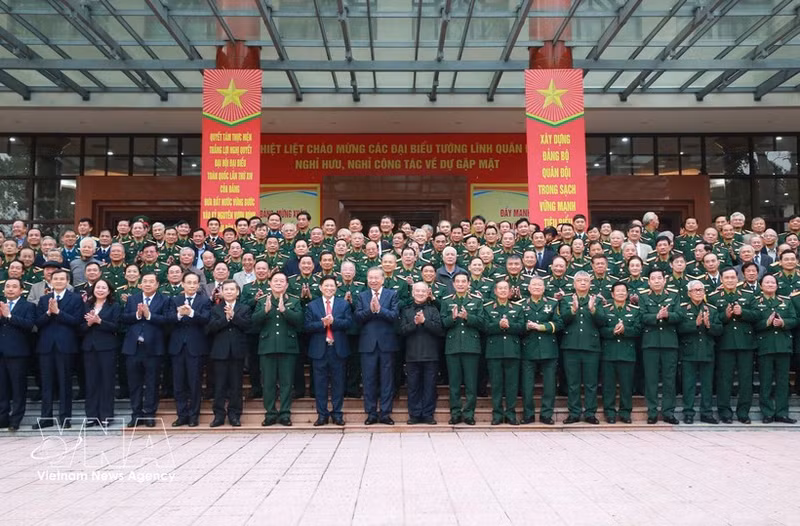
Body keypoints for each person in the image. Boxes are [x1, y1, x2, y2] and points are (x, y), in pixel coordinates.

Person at [33, 269, 83, 429]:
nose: (59, 281)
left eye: (62, 279)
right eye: (56, 279)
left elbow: (77, 321)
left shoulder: (75, 299)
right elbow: (37, 323)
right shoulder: (44, 299)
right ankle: (46, 417)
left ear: (67, 281)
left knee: (64, 382)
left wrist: (58, 312)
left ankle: (65, 417)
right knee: (47, 384)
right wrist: (48, 312)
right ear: (51, 281)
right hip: (46, 346)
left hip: (65, 346)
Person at [708, 267, 758, 424]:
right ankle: (725, 412)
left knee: (745, 379)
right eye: (726, 278)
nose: (730, 280)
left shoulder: (749, 295)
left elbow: (758, 315)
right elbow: (713, 320)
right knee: (724, 379)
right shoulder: (713, 297)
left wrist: (743, 312)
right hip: (725, 343)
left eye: (732, 277)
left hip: (745, 343)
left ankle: (743, 412)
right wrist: (726, 316)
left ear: (738, 279)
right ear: (721, 279)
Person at [254, 272, 303, 427]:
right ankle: (270, 413)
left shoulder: (294, 300)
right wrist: (265, 311)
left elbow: (300, 322)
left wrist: (285, 311)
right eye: (275, 281)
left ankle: (285, 414)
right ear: (270, 283)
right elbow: (253, 322)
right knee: (268, 383)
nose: (278, 283)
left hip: (287, 346)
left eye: (282, 281)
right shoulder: (263, 301)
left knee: (286, 383)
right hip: (267, 346)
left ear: (287, 285)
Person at [121, 272, 169, 428]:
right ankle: (136, 414)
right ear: (141, 284)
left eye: (151, 282)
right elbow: (124, 318)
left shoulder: (164, 300)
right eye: (145, 281)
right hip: (133, 348)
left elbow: (167, 321)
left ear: (157, 285)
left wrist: (149, 315)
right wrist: (137, 314)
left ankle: (149, 413)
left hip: (153, 348)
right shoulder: (133, 299)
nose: (148, 284)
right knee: (134, 384)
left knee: (152, 383)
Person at [305, 275, 353, 426]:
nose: (329, 288)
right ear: (320, 288)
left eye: (332, 286)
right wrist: (322, 324)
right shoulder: (312, 305)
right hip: (319, 350)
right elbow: (306, 326)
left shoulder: (343, 304)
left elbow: (349, 323)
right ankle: (322, 414)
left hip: (338, 349)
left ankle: (337, 414)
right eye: (326, 286)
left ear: (336, 287)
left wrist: (334, 322)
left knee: (338, 383)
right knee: (320, 384)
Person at [355, 267, 400, 425]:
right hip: (368, 345)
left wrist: (380, 310)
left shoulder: (392, 294)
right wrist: (370, 310)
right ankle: (371, 413)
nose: (373, 281)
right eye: (370, 278)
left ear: (382, 279)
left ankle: (386, 413)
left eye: (376, 278)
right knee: (369, 380)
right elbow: (358, 317)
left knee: (387, 380)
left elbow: (395, 316)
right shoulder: (362, 296)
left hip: (387, 344)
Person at [638, 269, 681, 425]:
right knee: (651, 380)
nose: (656, 281)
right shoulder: (644, 297)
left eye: (659, 278)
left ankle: (669, 412)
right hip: (650, 343)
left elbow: (680, 315)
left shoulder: (673, 296)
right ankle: (652, 412)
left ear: (664, 280)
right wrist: (656, 316)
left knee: (669, 380)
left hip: (669, 343)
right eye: (653, 278)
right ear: (648, 281)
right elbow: (641, 316)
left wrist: (668, 315)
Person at [168, 272, 211, 428]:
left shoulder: (204, 300)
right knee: (178, 383)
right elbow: (168, 319)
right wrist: (179, 314)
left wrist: (192, 313)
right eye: (189, 282)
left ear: (198, 285)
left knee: (194, 383)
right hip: (177, 347)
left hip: (196, 348)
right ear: (183, 284)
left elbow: (206, 319)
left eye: (195, 283)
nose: (192, 285)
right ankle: (182, 415)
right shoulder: (174, 300)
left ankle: (194, 415)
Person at [558, 271, 602, 424]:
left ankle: (590, 413)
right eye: (579, 280)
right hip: (571, 346)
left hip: (591, 346)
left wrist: (593, 310)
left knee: (591, 383)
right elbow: (562, 320)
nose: (583, 283)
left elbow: (603, 321)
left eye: (586, 280)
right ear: (574, 283)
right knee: (573, 383)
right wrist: (572, 310)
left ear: (590, 283)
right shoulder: (566, 300)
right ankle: (574, 412)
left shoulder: (596, 300)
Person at [207, 280, 252, 427]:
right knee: (219, 386)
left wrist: (234, 316)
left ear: (237, 292)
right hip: (220, 353)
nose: (229, 292)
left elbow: (247, 326)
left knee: (236, 386)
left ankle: (234, 414)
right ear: (222, 292)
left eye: (232, 289)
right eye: (226, 289)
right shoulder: (215, 308)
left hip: (237, 352)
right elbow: (210, 328)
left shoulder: (244, 308)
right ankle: (219, 415)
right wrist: (226, 319)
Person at [440, 272, 483, 425]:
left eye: (463, 281)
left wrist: (468, 317)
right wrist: (451, 318)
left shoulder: (477, 300)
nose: (460, 284)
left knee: (471, 384)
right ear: (453, 284)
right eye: (457, 281)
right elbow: (442, 323)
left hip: (471, 346)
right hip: (453, 346)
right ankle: (456, 413)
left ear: (468, 283)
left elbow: (482, 322)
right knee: (454, 383)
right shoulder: (446, 301)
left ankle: (469, 414)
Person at [678, 280, 723, 424]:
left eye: (701, 290)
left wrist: (709, 326)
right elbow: (678, 329)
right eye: (695, 290)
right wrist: (695, 324)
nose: (698, 292)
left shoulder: (711, 309)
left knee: (707, 384)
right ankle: (688, 413)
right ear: (689, 293)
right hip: (689, 350)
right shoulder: (682, 308)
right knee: (689, 384)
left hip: (707, 350)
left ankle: (706, 413)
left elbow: (719, 330)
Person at [399, 281, 443, 425]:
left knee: (430, 386)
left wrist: (425, 322)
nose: (420, 293)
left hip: (431, 354)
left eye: (423, 291)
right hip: (412, 354)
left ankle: (428, 414)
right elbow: (402, 331)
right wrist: (415, 324)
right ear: (412, 293)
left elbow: (439, 330)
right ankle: (415, 414)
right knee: (413, 386)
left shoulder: (433, 310)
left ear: (428, 293)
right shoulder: (406, 310)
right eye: (417, 291)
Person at [596, 282, 641, 424]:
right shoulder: (604, 309)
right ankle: (609, 413)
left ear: (627, 294)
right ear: (612, 294)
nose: (621, 293)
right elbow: (600, 330)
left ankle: (625, 412)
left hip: (627, 354)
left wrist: (625, 330)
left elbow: (638, 330)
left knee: (626, 386)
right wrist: (612, 331)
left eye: (623, 291)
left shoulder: (635, 310)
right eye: (618, 291)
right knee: (608, 386)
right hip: (608, 353)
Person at [755, 274, 797, 424]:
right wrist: (766, 323)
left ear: (777, 285)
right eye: (767, 282)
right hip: (765, 346)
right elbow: (752, 323)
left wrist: (783, 322)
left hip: (783, 346)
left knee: (782, 382)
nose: (770, 284)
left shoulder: (786, 301)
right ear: (761, 286)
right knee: (765, 382)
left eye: (773, 282)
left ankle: (782, 413)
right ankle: (767, 412)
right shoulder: (755, 302)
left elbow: (794, 319)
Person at [482, 280, 524, 425]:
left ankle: (511, 414)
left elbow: (522, 327)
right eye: (500, 288)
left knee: (512, 385)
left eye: (505, 288)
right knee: (496, 384)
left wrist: (509, 326)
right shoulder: (488, 308)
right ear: (495, 291)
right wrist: (498, 326)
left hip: (512, 350)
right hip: (494, 351)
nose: (503, 291)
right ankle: (498, 414)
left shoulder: (517, 308)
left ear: (510, 291)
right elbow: (485, 327)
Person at [79, 278, 120, 427]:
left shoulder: (114, 306)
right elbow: (79, 328)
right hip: (89, 348)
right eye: (98, 287)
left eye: (104, 288)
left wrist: (99, 321)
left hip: (107, 348)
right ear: (93, 289)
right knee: (91, 382)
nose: (100, 290)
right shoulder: (86, 305)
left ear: (109, 291)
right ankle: (91, 416)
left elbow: (116, 327)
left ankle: (106, 416)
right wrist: (89, 324)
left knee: (106, 382)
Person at [520, 277, 560, 425]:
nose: (536, 287)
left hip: (549, 348)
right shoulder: (521, 305)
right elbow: (517, 324)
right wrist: (526, 326)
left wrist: (541, 327)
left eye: (539, 285)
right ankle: (528, 414)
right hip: (528, 349)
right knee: (527, 386)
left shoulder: (553, 303)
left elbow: (559, 323)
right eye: (534, 285)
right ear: (528, 288)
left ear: (544, 288)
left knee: (549, 385)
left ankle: (546, 415)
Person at [0, 278, 36, 431]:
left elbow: (30, 325)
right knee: (2, 388)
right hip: (1, 353)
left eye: (14, 286)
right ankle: (2, 418)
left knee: (18, 387)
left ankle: (16, 419)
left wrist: (9, 316)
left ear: (22, 290)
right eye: (7, 286)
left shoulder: (28, 306)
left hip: (18, 352)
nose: (10, 289)